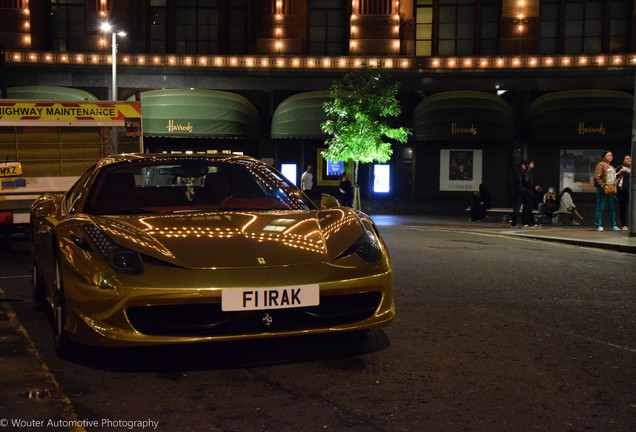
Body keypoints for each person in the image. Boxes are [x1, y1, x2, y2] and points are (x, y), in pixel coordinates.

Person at [593, 150, 619, 231]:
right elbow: (597, 177)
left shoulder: (611, 166)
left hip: (610, 189)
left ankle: (613, 225)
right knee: (600, 206)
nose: (610, 157)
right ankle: (598, 225)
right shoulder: (601, 165)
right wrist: (603, 186)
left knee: (611, 207)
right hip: (603, 189)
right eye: (608, 155)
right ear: (604, 157)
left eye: (611, 155)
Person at [520, 159, 542, 227]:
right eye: (531, 163)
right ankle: (528, 222)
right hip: (527, 192)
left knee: (528, 207)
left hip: (528, 192)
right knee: (528, 207)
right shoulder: (527, 172)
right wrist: (534, 186)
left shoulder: (528, 172)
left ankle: (528, 222)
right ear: (527, 165)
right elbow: (527, 181)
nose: (533, 165)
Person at [615, 155, 631, 230]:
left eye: (630, 159)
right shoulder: (620, 168)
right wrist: (619, 172)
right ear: (623, 161)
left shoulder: (633, 169)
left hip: (632, 192)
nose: (628, 160)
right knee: (623, 208)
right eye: (627, 159)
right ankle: (624, 224)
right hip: (622, 191)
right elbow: (613, 176)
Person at [510, 161, 526, 228]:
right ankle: (514, 222)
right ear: (522, 165)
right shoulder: (519, 173)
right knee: (517, 207)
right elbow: (515, 182)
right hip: (519, 192)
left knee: (520, 208)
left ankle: (517, 222)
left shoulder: (522, 172)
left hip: (521, 191)